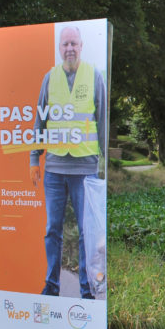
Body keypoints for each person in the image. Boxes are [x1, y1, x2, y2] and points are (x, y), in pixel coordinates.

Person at [30, 25, 107, 299]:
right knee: (52, 229)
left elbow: (102, 120)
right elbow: (39, 120)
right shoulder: (49, 78)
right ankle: (51, 286)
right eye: (65, 44)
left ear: (81, 46)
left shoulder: (94, 75)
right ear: (59, 48)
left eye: (74, 43)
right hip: (54, 168)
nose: (70, 48)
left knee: (88, 232)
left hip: (85, 168)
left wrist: (103, 161)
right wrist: (33, 159)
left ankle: (86, 290)